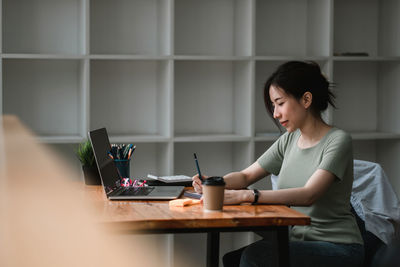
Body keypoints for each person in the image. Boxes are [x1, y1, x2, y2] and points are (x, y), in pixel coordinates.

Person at [192, 61, 364, 267]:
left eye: (280, 103)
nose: (275, 114)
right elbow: (246, 176)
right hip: (296, 240)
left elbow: (309, 195)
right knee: (233, 259)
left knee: (256, 257)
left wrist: (248, 195)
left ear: (306, 99)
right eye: (274, 106)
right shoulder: (290, 139)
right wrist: (215, 182)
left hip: (338, 246)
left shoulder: (338, 140)